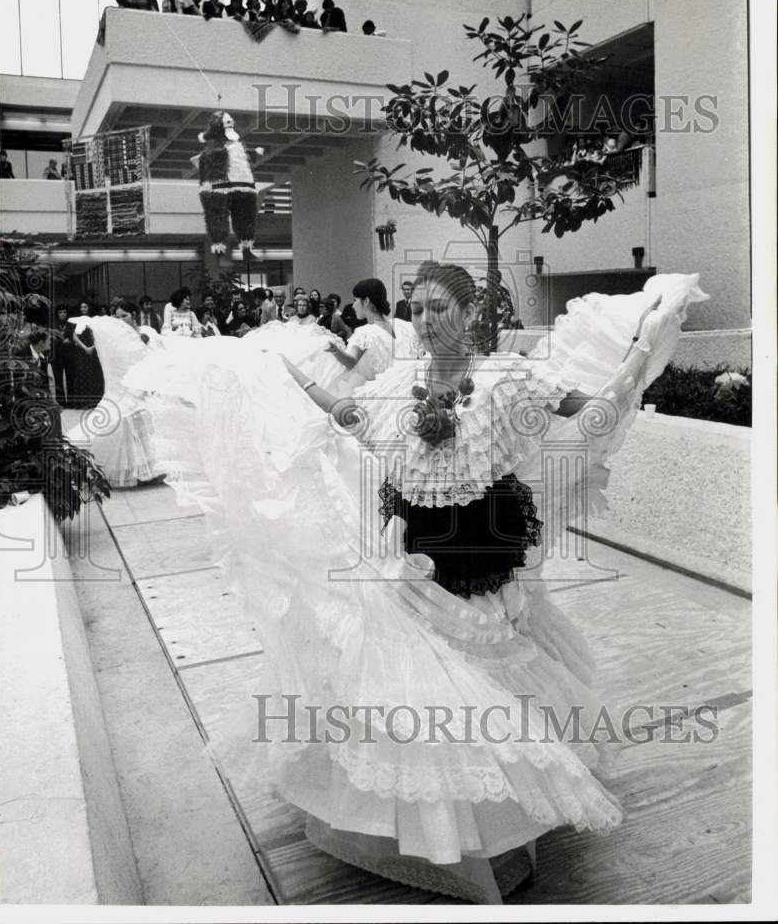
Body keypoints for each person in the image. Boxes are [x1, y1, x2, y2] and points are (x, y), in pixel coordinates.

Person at [134, 265, 706, 902]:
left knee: (489, 663)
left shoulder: (505, 377)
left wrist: (634, 356)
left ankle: (502, 808)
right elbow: (347, 413)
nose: (428, 321)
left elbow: (590, 411)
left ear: (468, 312)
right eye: (419, 308)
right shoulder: (402, 379)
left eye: (440, 308)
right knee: (417, 673)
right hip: (416, 547)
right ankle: (444, 822)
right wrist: (286, 376)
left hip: (482, 544)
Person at [64, 308, 159, 488]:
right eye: (118, 316)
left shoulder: (146, 333)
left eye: (125, 315)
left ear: (134, 315)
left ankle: (145, 470)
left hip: (142, 385)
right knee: (118, 419)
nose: (121, 319)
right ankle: (81, 456)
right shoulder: (113, 337)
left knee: (143, 423)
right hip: (121, 384)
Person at [321, 278, 420, 396]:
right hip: (401, 391)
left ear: (366, 301)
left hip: (377, 393)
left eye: (355, 300)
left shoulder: (365, 333)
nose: (353, 306)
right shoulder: (401, 326)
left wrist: (336, 351)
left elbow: (351, 362)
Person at [64, 300, 105, 409]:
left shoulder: (93, 320)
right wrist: (85, 348)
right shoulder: (77, 321)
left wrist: (92, 347)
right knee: (81, 375)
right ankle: (83, 402)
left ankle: (93, 401)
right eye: (81, 307)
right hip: (81, 352)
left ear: (89, 308)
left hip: (93, 351)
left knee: (93, 375)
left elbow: (97, 336)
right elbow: (74, 336)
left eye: (85, 307)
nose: (83, 309)